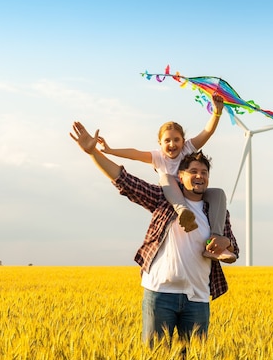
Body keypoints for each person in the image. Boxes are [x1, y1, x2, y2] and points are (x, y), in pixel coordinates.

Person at [70, 121, 239, 343]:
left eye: (204, 173)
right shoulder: (162, 199)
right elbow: (124, 181)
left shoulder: (215, 210)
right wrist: (94, 153)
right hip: (160, 294)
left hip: (198, 298)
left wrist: (225, 247)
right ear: (181, 176)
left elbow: (234, 249)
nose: (199, 176)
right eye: (193, 172)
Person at [96, 94, 235, 262]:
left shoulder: (188, 149)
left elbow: (207, 131)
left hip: (192, 191)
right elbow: (135, 154)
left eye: (176, 140)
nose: (172, 144)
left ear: (184, 141)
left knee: (218, 193)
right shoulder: (158, 157)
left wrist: (216, 113)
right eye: (167, 140)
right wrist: (110, 151)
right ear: (160, 143)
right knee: (166, 179)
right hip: (173, 197)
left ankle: (216, 241)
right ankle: (184, 212)